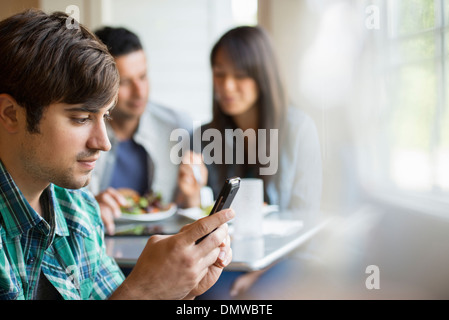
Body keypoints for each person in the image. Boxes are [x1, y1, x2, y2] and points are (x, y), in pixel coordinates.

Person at [0, 9, 232, 300]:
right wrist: (144, 291)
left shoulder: (77, 207)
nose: (104, 142)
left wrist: (176, 291)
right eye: (81, 118)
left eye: (105, 116)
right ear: (11, 114)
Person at [177, 26, 322, 298]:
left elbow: (307, 222)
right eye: (219, 74)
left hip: (285, 257)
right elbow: (194, 217)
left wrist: (258, 273)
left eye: (240, 75)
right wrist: (190, 195)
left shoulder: (299, 129)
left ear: (262, 77)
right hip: (224, 256)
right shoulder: (204, 136)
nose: (227, 86)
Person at [90, 26, 194, 235]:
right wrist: (89, 208)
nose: (140, 92)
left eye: (143, 77)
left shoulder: (177, 128)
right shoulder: (79, 130)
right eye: (125, 82)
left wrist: (193, 195)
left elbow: (186, 208)